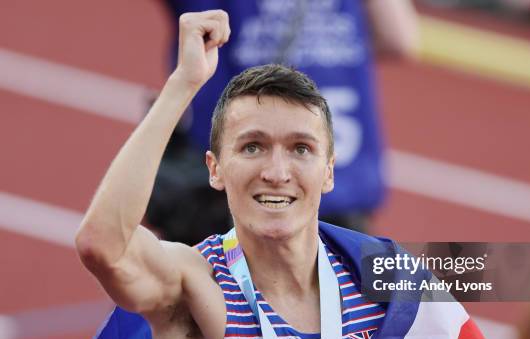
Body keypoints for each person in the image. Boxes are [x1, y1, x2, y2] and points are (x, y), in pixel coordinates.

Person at [68, 10, 520, 339]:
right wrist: (182, 86)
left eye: (300, 149)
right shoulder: (198, 289)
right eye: (252, 147)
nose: (277, 171)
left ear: (328, 170)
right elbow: (104, 246)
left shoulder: (383, 292)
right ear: (216, 168)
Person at [146, 0, 420, 241]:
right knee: (349, 293)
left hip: (244, 188)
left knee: (215, 291)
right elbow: (398, 37)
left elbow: (399, 38)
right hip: (340, 183)